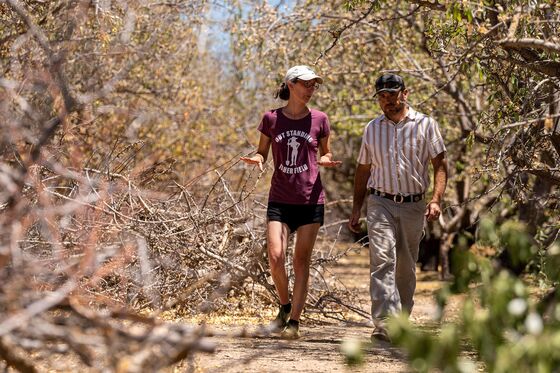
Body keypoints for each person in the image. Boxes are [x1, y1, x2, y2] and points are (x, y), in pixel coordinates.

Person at [241, 65, 341, 338]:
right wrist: (257, 160)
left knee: (300, 261)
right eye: (306, 84)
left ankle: (294, 322)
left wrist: (326, 160)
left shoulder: (320, 119)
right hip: (280, 199)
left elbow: (326, 152)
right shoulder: (271, 119)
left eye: (314, 86)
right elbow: (263, 152)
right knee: (275, 256)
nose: (311, 90)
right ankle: (284, 306)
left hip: (310, 200)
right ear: (291, 84)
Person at [348, 73, 448, 342]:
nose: (387, 101)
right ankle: (384, 323)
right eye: (382, 96)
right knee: (382, 260)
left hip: (413, 204)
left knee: (405, 265)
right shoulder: (372, 128)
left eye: (392, 94)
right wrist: (357, 208)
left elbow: (439, 164)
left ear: (405, 93)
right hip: (380, 201)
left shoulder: (426, 125)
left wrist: (436, 199)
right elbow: (363, 170)